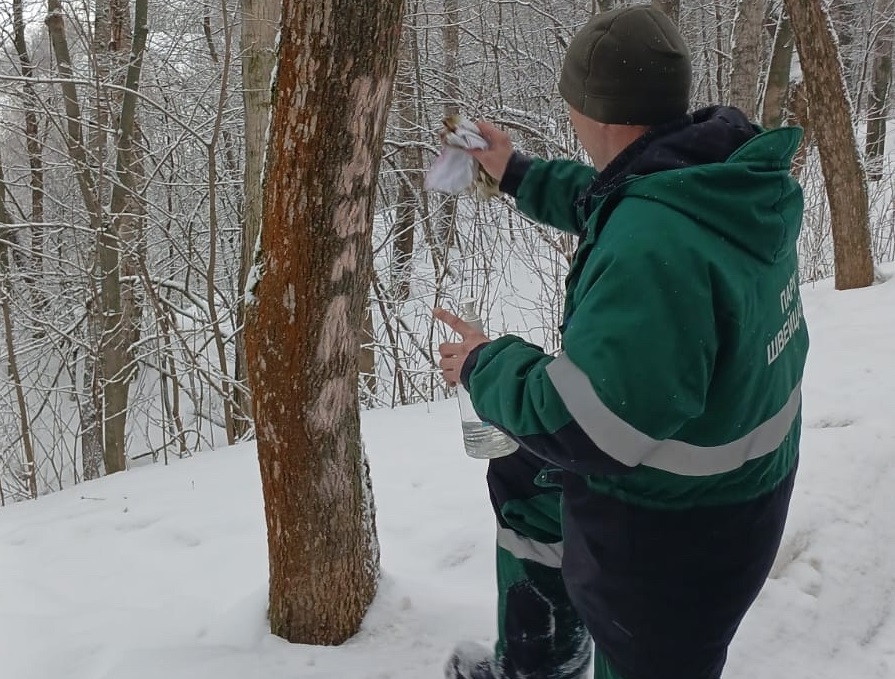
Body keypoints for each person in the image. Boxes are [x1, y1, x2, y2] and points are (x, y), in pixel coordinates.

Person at [433, 4, 809, 679]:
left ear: (593, 115)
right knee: (523, 473)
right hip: (727, 491)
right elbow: (613, 202)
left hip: (672, 544)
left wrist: (483, 364)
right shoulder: (718, 179)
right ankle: (540, 655)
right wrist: (513, 171)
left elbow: (585, 423)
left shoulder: (652, 248)